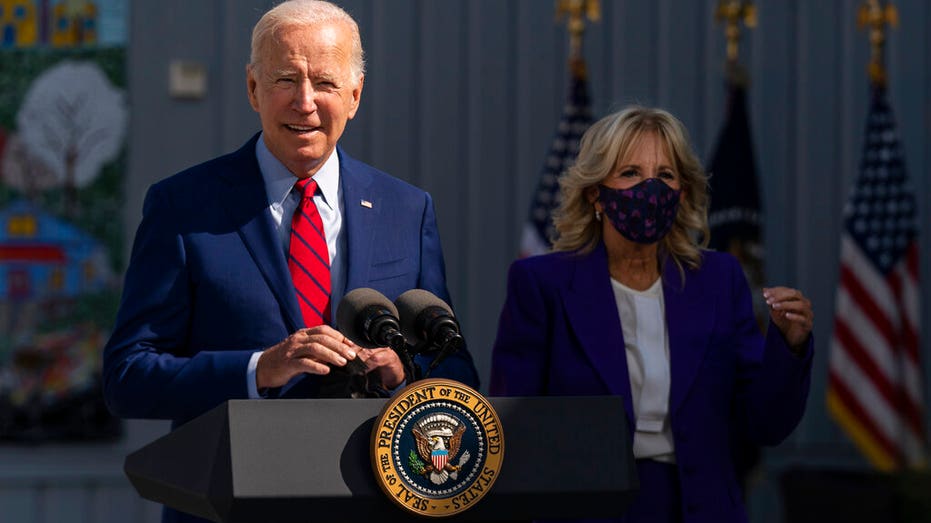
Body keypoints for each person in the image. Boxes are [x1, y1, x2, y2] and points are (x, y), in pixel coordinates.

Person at [104, 1, 478, 520]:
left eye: (324, 82)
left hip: (372, 499)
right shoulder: (183, 206)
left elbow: (455, 368)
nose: (305, 102)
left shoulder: (406, 210)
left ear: (355, 96)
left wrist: (404, 374)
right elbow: (128, 377)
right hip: (231, 503)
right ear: (253, 89)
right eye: (285, 79)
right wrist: (261, 369)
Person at [489, 106, 812, 523]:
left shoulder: (718, 280)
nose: (649, 188)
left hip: (702, 508)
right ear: (595, 194)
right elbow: (515, 425)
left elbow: (764, 423)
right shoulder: (541, 284)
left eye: (664, 175)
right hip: (586, 509)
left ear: (682, 192)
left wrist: (790, 345)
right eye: (630, 174)